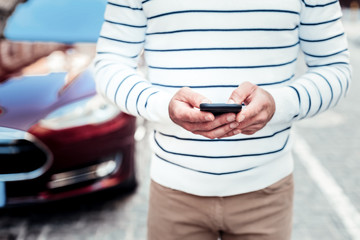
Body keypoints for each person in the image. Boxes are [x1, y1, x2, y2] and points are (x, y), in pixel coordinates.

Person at [94, 0, 351, 239]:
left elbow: (334, 67)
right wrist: (162, 106)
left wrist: (279, 104)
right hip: (173, 191)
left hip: (267, 193)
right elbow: (110, 63)